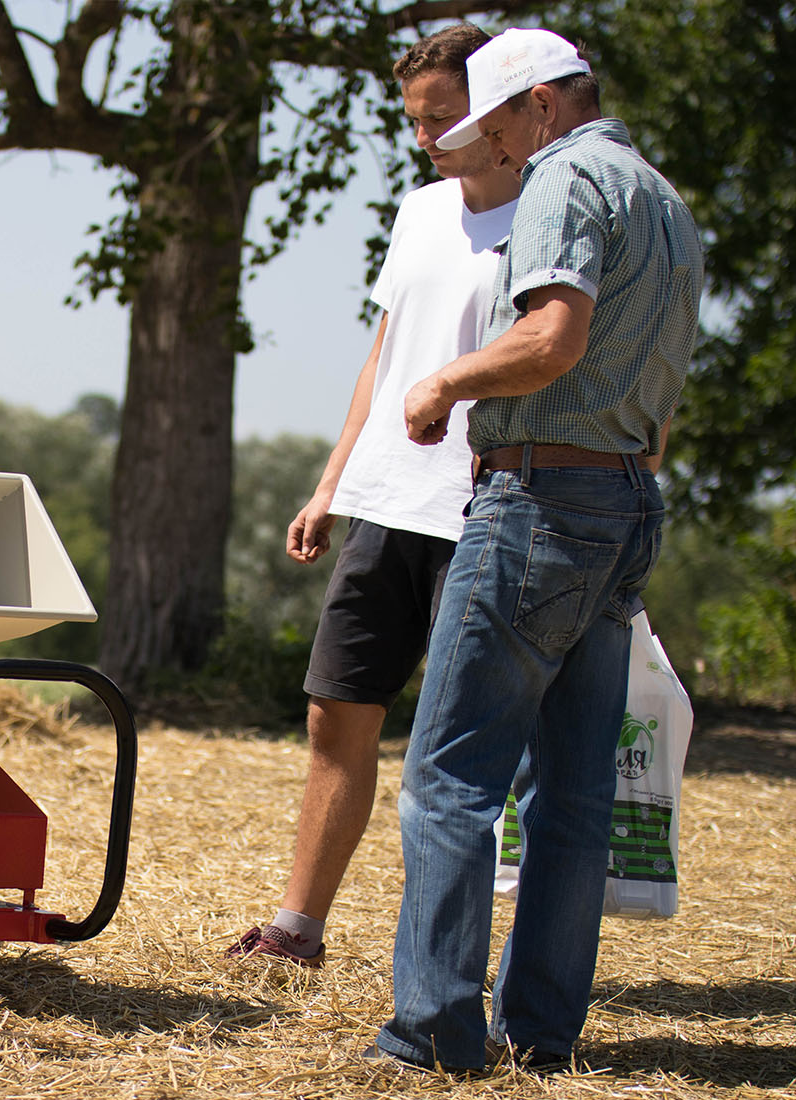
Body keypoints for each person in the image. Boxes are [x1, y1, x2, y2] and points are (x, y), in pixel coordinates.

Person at [365, 27, 703, 1073]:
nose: (498, 149)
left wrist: (445, 382)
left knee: (449, 780)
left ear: (544, 106)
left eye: (501, 124)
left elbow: (551, 336)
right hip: (625, 499)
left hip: (538, 499)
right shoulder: (668, 202)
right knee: (573, 791)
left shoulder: (566, 179)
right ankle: (540, 1034)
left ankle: (430, 1035)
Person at [227, 24, 520, 968]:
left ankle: (455, 963)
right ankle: (296, 931)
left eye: (443, 119)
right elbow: (384, 356)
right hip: (389, 501)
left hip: (488, 508)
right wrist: (332, 483)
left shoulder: (550, 215)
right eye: (418, 120)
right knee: (334, 712)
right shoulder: (422, 209)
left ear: (505, 108)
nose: (426, 137)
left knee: (464, 747)